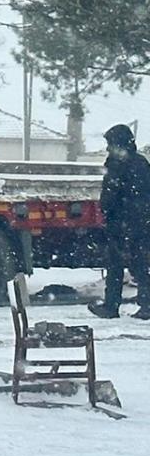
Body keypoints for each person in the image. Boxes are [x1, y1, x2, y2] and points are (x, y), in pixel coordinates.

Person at [90, 122, 150, 319]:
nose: (108, 148)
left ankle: (112, 306)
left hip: (126, 222)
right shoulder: (139, 163)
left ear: (120, 144)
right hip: (135, 222)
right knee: (138, 265)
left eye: (111, 144)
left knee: (119, 265)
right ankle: (144, 304)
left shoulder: (121, 166)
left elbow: (113, 194)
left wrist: (110, 212)